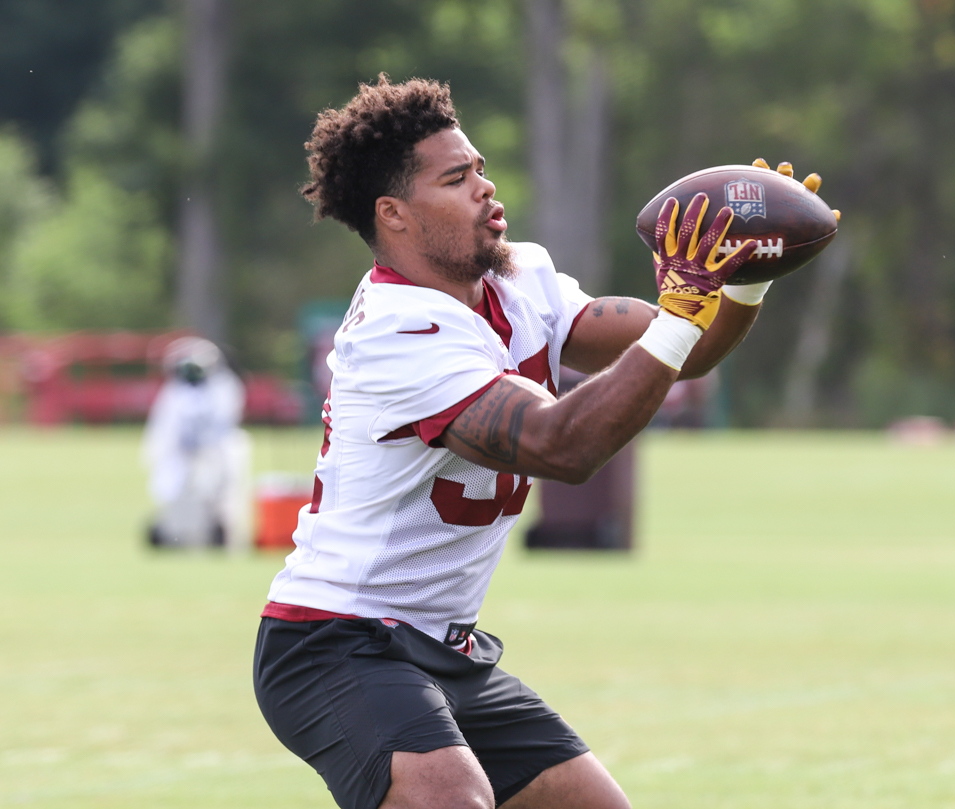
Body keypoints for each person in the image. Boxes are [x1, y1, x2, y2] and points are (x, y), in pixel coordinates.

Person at [253, 75, 771, 809]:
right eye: (456, 179)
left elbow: (684, 348)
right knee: (451, 798)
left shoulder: (522, 278)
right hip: (337, 642)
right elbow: (561, 446)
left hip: (443, 647)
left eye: (480, 168)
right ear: (393, 214)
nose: (486, 188)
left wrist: (746, 280)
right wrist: (681, 317)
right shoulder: (396, 331)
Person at [143, 337, 250, 548]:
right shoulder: (174, 392)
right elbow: (165, 428)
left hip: (215, 452)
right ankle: (178, 531)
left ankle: (219, 533)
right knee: (178, 493)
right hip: (182, 454)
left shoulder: (224, 387)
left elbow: (223, 422)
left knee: (219, 496)